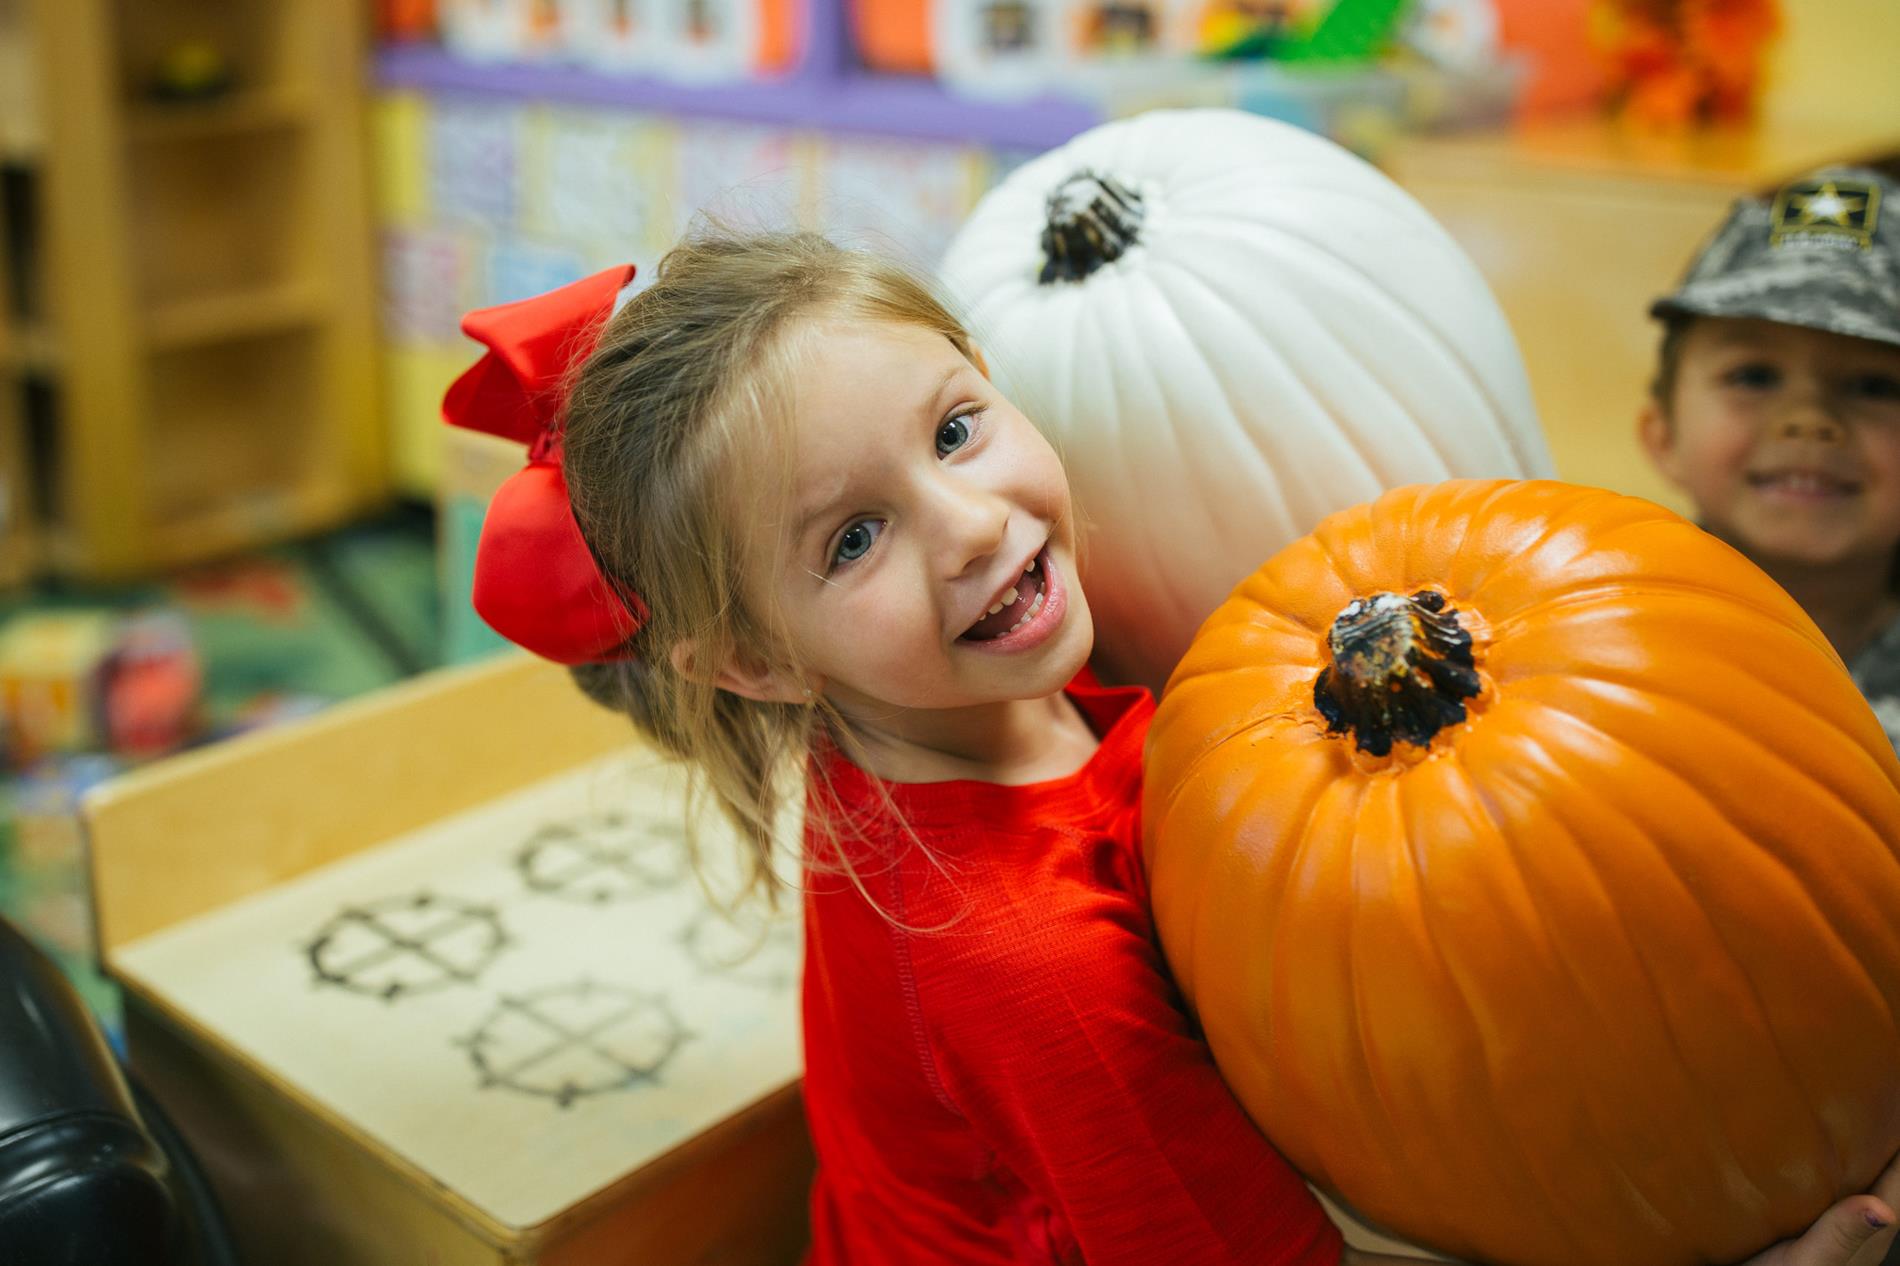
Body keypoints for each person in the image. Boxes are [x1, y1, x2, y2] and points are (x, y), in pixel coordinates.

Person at [446, 229, 1900, 1265]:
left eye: (955, 429)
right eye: (854, 537)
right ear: (753, 660)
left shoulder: (957, 709)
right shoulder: (1028, 964)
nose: (971, 525)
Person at [1641, 165, 1900, 750]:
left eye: (1876, 386)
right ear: (1661, 435)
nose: (1808, 419)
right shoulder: (1594, 646)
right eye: (1754, 375)